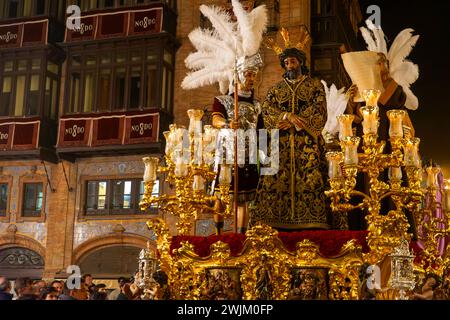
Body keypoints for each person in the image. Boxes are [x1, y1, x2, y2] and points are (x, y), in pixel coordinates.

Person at [250, 27, 330, 230]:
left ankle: (311, 221)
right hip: (280, 145)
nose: (289, 65)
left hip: (306, 143)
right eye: (286, 62)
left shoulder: (314, 86)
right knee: (273, 181)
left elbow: (319, 108)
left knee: (311, 180)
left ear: (300, 62)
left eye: (293, 61)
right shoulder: (276, 89)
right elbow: (267, 110)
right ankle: (274, 219)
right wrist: (285, 116)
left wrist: (296, 120)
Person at [212, 56, 264, 234]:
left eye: (254, 75)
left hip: (248, 156)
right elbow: (216, 119)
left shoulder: (257, 105)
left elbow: (261, 131)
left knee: (244, 199)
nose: (251, 79)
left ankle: (241, 236)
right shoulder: (223, 101)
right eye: (248, 74)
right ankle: (218, 234)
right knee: (221, 195)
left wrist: (265, 159)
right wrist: (227, 124)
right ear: (239, 75)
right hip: (228, 154)